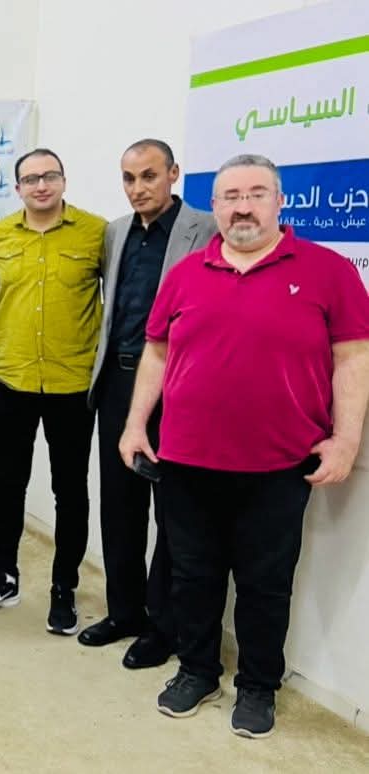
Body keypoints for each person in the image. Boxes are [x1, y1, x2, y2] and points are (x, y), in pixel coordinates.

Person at [120, 153, 369, 738]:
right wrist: (135, 426)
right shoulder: (186, 273)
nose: (242, 207)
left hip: (279, 465)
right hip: (185, 459)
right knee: (192, 575)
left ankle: (258, 686)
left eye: (256, 194)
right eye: (230, 197)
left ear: (280, 202)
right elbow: (156, 353)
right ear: (215, 207)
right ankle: (197, 670)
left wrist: (346, 440)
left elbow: (353, 358)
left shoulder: (328, 271)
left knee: (265, 584)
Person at [77, 139, 215, 668]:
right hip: (118, 382)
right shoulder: (115, 232)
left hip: (177, 387)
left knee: (173, 512)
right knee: (119, 506)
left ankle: (164, 627)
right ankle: (124, 612)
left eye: (149, 176)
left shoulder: (207, 229)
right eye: (129, 178)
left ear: (174, 173)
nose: (138, 188)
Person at [0, 148, 106, 635]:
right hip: (11, 378)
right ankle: (3, 577)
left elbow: (112, 299)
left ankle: (64, 587)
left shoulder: (96, 233)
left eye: (49, 176)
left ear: (64, 180)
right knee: (9, 483)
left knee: (70, 489)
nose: (40, 185)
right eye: (30, 179)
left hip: (73, 381)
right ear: (18, 187)